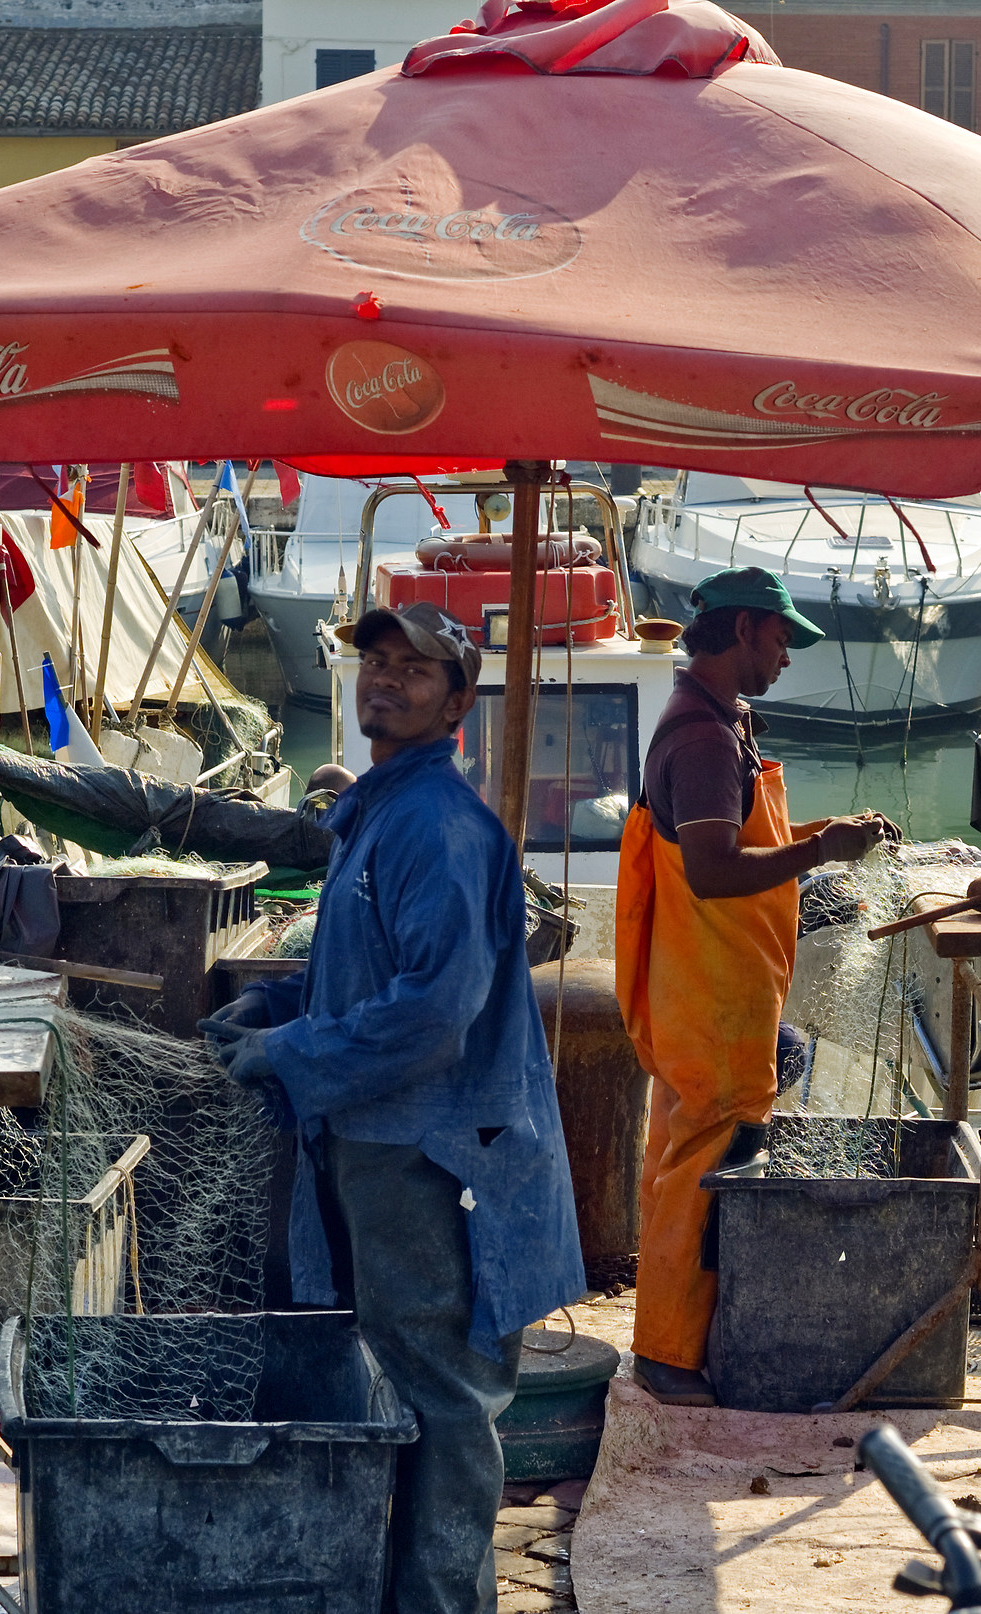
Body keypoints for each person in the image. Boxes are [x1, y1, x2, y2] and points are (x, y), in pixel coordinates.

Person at [201, 601, 582, 1614]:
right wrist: (277, 1003)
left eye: (416, 670)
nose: (386, 680)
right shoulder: (380, 810)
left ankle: (445, 1603)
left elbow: (432, 1015)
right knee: (398, 1380)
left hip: (430, 1154)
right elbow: (369, 976)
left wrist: (290, 1049)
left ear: (458, 701)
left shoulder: (435, 827)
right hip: (375, 1142)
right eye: (375, 661)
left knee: (444, 1397)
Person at [613, 566, 899, 1406]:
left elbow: (743, 832)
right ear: (743, 630)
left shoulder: (724, 719)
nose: (785, 657)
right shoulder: (699, 739)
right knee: (702, 1169)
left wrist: (829, 833)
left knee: (685, 1159)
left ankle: (680, 1342)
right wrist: (820, 853)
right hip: (709, 994)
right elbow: (710, 869)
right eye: (780, 639)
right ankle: (667, 1357)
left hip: (722, 987)